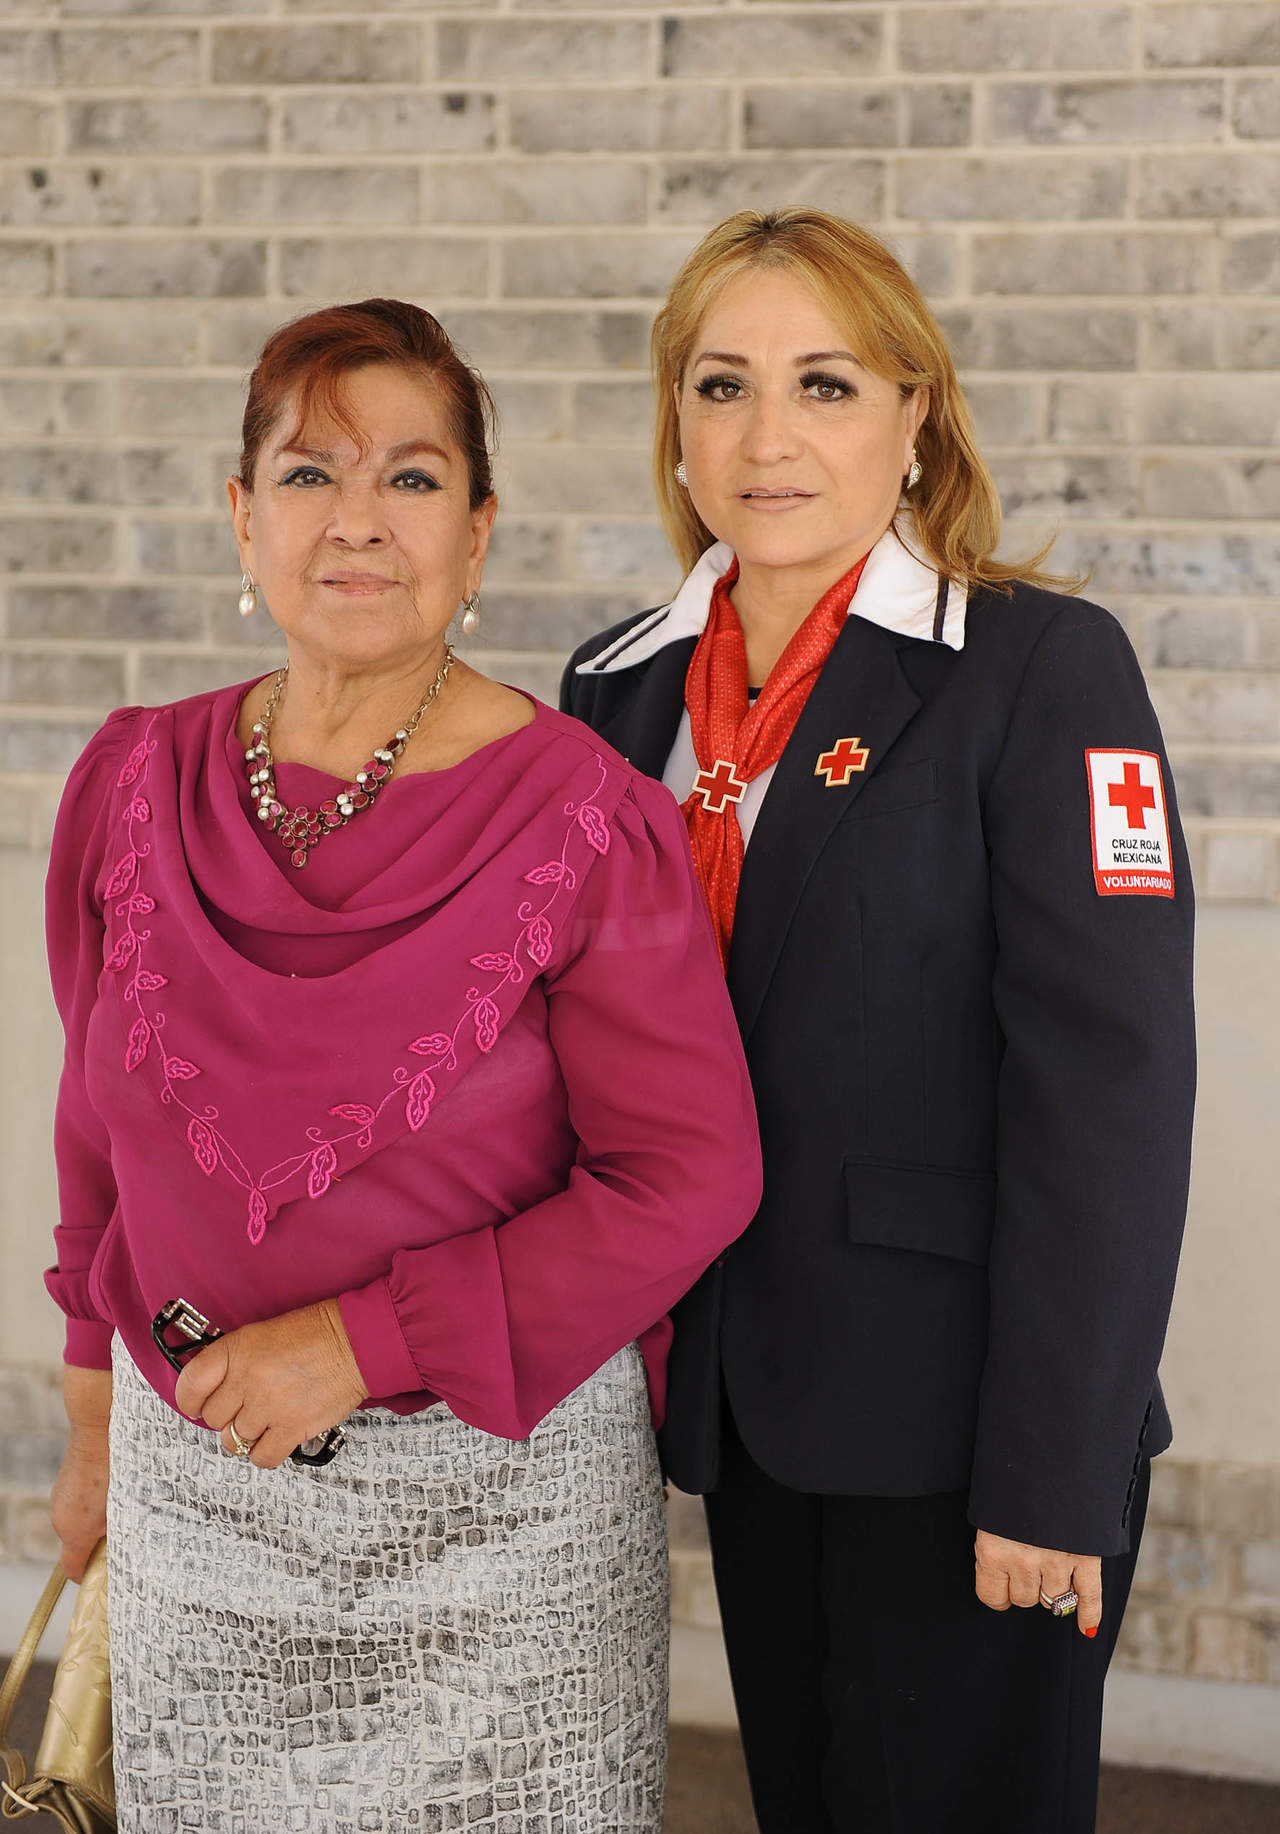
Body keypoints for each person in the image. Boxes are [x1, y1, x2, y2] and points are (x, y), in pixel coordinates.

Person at [43, 297, 762, 1833]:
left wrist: (359, 1344)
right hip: (196, 1512)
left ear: (478, 532)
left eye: (413, 478)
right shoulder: (127, 781)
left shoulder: (588, 819)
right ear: (242, 516)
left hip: (499, 1538)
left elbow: (689, 1176)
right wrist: (94, 1430)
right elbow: (95, 1141)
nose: (357, 521)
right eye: (309, 474)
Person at [562, 210, 1196, 1834]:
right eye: (722, 384)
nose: (766, 436)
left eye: (826, 383)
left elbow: (1110, 1095)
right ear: (676, 422)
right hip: (741, 1404)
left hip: (969, 1430)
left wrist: (1054, 1471)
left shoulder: (1042, 669)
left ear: (916, 417)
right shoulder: (614, 693)